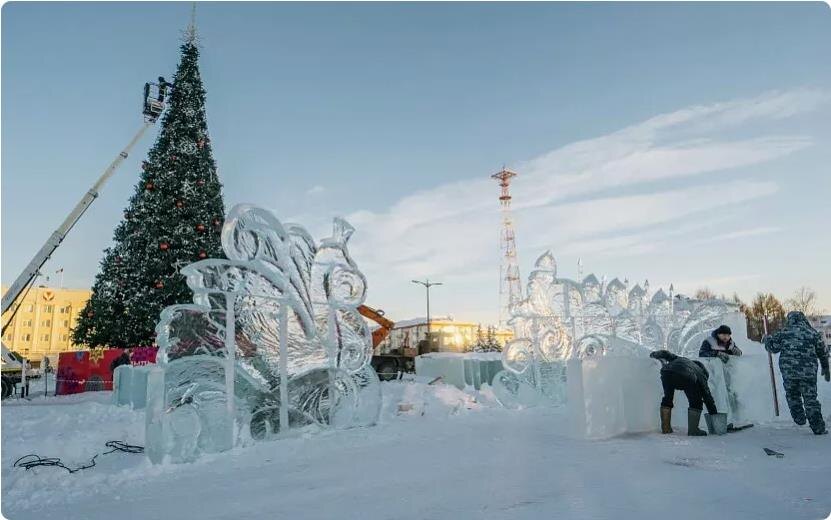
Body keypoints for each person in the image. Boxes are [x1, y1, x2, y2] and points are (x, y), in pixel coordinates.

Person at [764, 311, 829, 435]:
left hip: (789, 372)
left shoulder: (784, 333)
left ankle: (799, 417)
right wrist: (825, 367)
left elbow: (773, 348)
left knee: (792, 395)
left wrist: (767, 339)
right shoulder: (812, 333)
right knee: (810, 399)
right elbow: (822, 351)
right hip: (808, 373)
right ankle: (818, 427)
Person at [650, 350, 718, 436]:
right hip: (687, 376)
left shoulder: (680, 359)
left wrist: (654, 354)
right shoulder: (700, 374)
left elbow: (666, 354)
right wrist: (714, 415)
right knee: (696, 401)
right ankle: (693, 430)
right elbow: (708, 398)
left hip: (666, 372)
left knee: (668, 398)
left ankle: (666, 428)